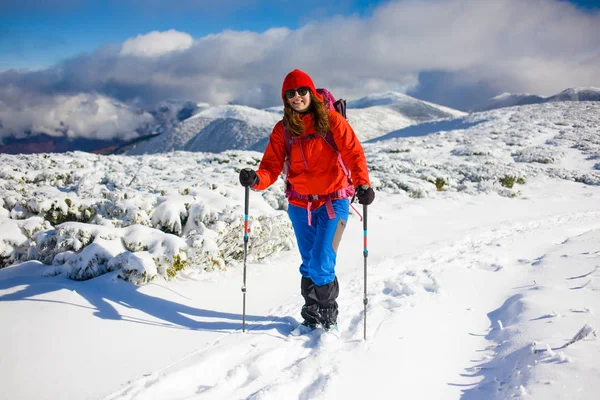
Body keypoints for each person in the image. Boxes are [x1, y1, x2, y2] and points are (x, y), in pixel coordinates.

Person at [239, 69, 375, 331]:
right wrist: (256, 179)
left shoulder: (333, 121)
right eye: (290, 93)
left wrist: (363, 184)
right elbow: (270, 166)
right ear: (285, 99)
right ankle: (311, 316)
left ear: (311, 92)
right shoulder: (284, 130)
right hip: (300, 205)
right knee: (309, 262)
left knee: (322, 261)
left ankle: (328, 318)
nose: (297, 97)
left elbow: (354, 154)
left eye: (302, 91)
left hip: (335, 202)